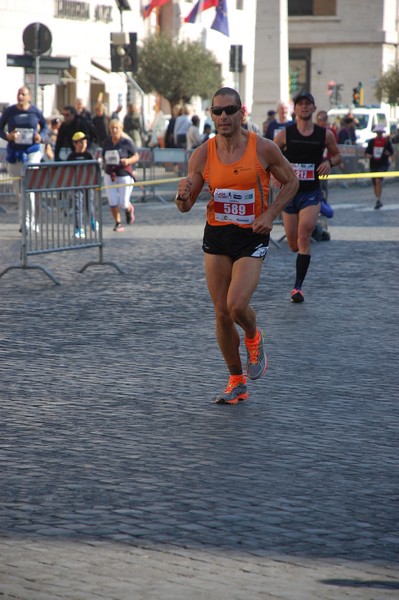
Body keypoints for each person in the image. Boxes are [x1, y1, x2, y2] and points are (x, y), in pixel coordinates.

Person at [175, 86, 299, 405]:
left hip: (251, 235)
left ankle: (254, 338)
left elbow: (292, 181)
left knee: (236, 305)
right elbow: (185, 206)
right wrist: (182, 195)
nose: (224, 116)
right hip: (217, 235)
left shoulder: (263, 148)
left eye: (230, 110)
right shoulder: (203, 153)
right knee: (220, 313)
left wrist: (271, 214)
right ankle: (236, 380)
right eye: (217, 111)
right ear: (211, 115)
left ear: (242, 112)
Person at [274, 92, 342, 303]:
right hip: (289, 193)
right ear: (295, 109)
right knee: (293, 244)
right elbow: (269, 156)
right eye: (300, 104)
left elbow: (337, 155)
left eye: (308, 104)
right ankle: (298, 275)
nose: (304, 107)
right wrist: (275, 175)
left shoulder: (325, 134)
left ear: (313, 108)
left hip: (312, 193)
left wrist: (329, 163)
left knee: (304, 236)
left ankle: (297, 288)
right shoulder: (286, 134)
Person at [0, 85, 47, 232]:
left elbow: (45, 127)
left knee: (30, 189)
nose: (20, 97)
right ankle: (23, 223)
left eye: (23, 94)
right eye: (19, 94)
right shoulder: (10, 111)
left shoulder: (35, 111)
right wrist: (7, 136)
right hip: (15, 154)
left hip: (32, 152)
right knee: (20, 193)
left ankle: (32, 222)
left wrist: (41, 136)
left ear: (29, 97)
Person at [102, 119, 139, 232]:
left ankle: (128, 209)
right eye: (112, 128)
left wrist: (128, 161)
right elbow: (104, 155)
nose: (114, 130)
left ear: (121, 129)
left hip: (123, 173)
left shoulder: (126, 142)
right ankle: (118, 223)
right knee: (112, 201)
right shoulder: (107, 142)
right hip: (110, 173)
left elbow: (136, 156)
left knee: (123, 203)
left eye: (116, 128)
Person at [67, 131, 97, 238]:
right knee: (77, 205)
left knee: (89, 203)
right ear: (75, 144)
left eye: (84, 142)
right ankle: (78, 227)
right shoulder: (71, 156)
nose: (83, 144)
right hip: (76, 184)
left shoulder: (89, 155)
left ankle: (92, 219)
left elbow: (94, 168)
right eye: (80, 142)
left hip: (88, 184)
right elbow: (67, 170)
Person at [365, 124, 394, 209]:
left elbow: (391, 152)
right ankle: (377, 199)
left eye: (380, 133)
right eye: (378, 132)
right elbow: (367, 152)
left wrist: (388, 154)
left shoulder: (386, 142)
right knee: (375, 182)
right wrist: (368, 155)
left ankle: (378, 199)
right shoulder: (372, 142)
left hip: (383, 164)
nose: (379, 134)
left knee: (378, 180)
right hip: (373, 164)